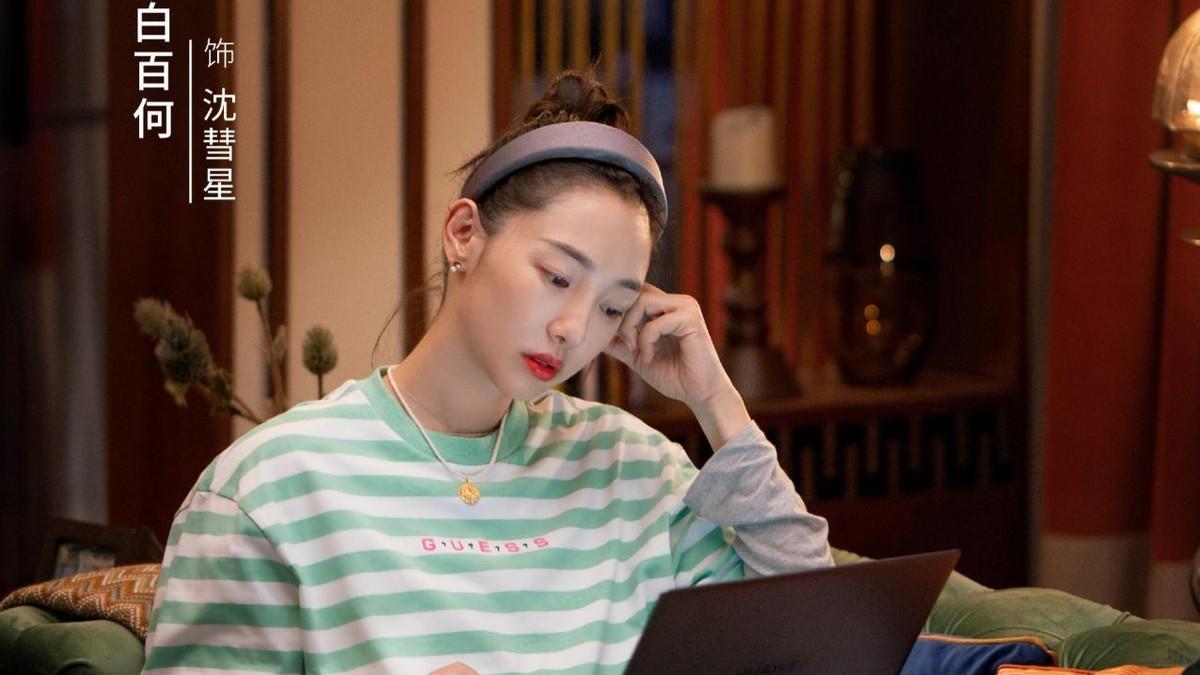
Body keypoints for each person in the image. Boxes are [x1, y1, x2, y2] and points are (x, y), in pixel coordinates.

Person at [142, 70, 831, 675]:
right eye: (557, 276)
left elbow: (819, 643)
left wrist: (717, 403)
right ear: (463, 234)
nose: (573, 329)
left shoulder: (636, 467)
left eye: (612, 306)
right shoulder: (269, 486)